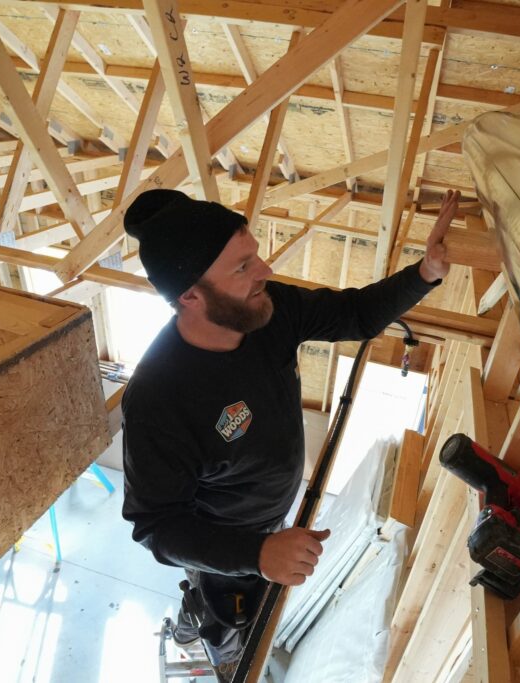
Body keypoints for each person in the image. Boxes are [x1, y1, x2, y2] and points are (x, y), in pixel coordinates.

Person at [120, 188, 460, 669]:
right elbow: (155, 526)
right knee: (232, 632)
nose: (266, 271)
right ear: (190, 296)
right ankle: (208, 636)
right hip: (226, 548)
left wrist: (425, 274)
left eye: (254, 254)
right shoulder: (161, 398)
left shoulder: (267, 310)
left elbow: (355, 315)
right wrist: (257, 553)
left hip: (270, 525)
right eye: (242, 266)